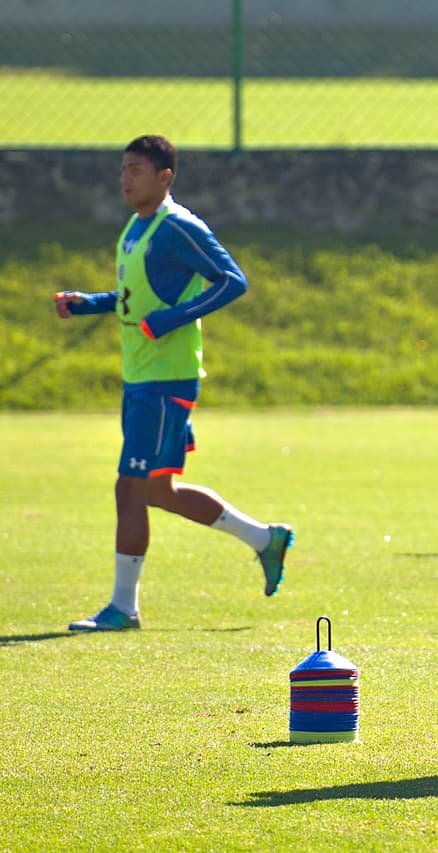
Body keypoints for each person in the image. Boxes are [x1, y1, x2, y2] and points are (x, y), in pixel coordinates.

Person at [54, 134, 294, 632]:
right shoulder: (136, 228)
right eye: (123, 168)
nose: (126, 178)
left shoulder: (177, 227)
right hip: (140, 377)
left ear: (165, 177)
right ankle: (264, 539)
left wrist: (172, 320)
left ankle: (123, 608)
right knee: (158, 491)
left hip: (166, 380)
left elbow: (232, 280)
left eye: (136, 170)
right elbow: (132, 297)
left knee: (130, 488)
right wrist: (90, 302)